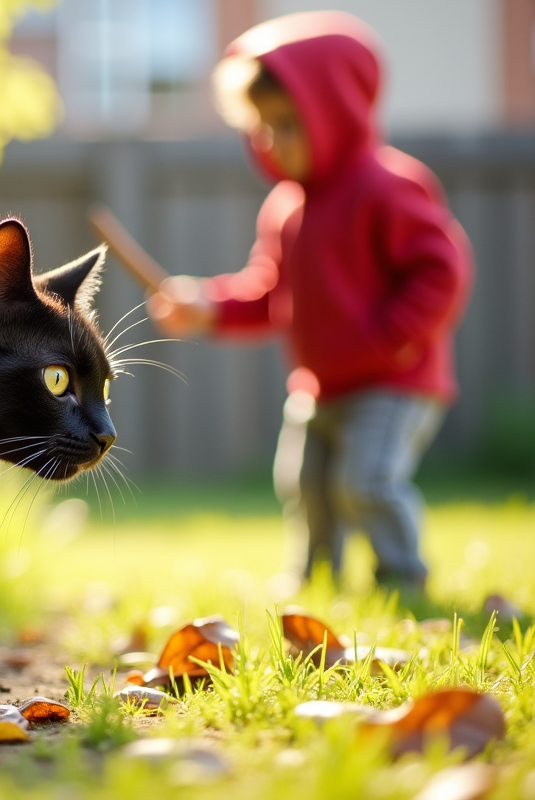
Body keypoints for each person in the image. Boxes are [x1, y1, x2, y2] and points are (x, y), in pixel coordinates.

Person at [147, 12, 473, 593]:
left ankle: (403, 576)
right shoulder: (285, 209)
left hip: (393, 380)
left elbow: (441, 270)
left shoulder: (389, 186)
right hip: (321, 385)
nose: (274, 141)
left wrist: (390, 337)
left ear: (336, 112)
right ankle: (317, 574)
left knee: (366, 482)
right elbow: (269, 292)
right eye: (262, 126)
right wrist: (207, 305)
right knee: (304, 483)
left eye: (289, 124)